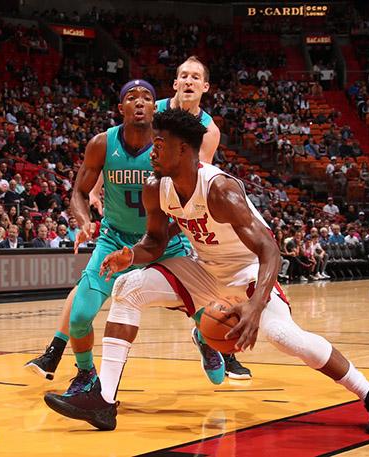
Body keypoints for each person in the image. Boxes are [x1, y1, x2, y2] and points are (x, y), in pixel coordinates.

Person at [43, 108, 369, 434]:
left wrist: (255, 305)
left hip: (249, 273)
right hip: (205, 271)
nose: (152, 152)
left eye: (160, 145)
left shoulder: (221, 190)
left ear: (183, 149)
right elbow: (155, 241)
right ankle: (103, 401)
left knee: (285, 338)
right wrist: (130, 256)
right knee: (128, 287)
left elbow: (269, 251)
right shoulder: (156, 187)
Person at [26, 80, 227, 394]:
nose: (139, 102)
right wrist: (84, 221)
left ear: (155, 108)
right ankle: (85, 374)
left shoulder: (169, 147)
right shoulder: (102, 143)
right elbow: (79, 192)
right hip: (115, 240)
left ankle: (205, 339)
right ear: (121, 108)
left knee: (209, 316)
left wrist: (168, 233)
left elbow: (189, 198)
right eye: (131, 97)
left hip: (164, 242)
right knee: (80, 316)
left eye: (147, 97)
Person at [87, 56, 251, 379]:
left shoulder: (209, 130)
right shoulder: (152, 109)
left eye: (195, 77)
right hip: (134, 207)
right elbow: (116, 147)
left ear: (205, 87)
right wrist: (95, 188)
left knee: (198, 285)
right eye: (184, 76)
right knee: (115, 288)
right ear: (175, 83)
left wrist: (178, 218)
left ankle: (212, 340)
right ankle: (63, 354)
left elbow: (195, 180)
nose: (189, 81)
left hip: (171, 207)